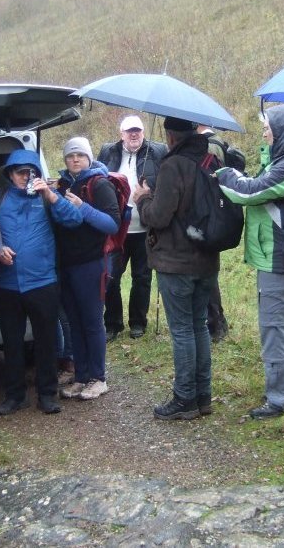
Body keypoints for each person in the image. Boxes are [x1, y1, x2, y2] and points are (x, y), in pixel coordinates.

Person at [217, 105, 284, 419]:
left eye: (269, 128)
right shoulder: (282, 160)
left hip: (280, 257)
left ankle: (281, 397)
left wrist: (224, 173)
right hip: (274, 254)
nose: (265, 133)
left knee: (273, 327)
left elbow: (248, 192)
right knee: (279, 325)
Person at [134, 117, 219, 420]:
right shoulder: (211, 159)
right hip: (207, 256)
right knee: (199, 326)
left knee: (183, 330)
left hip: (177, 260)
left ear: (170, 136)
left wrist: (142, 199)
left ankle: (185, 398)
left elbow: (159, 216)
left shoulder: (173, 165)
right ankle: (203, 396)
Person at [0, 149, 82, 415]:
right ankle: (15, 395)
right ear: (10, 174)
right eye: (21, 172)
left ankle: (47, 394)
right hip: (8, 284)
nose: (26, 177)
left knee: (46, 341)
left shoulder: (46, 197)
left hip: (42, 281)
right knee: (12, 343)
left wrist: (52, 195)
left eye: (31, 172)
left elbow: (74, 220)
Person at [55, 137, 120, 401]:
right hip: (67, 264)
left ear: (89, 158)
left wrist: (83, 208)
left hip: (93, 263)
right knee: (75, 322)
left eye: (80, 155)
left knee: (92, 322)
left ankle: (98, 378)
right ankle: (81, 377)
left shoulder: (99, 184)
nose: (75, 159)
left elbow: (112, 224)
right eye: (70, 156)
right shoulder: (62, 185)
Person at [97, 115, 167, 341]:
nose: (134, 134)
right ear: (122, 134)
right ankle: (112, 323)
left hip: (145, 227)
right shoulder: (108, 152)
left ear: (144, 133)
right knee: (111, 277)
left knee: (142, 278)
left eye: (137, 130)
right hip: (116, 230)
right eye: (129, 131)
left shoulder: (158, 151)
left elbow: (166, 183)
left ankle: (138, 322)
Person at [196, 124, 232, 343]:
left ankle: (216, 323)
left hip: (208, 217)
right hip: (213, 216)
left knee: (207, 274)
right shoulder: (216, 143)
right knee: (208, 272)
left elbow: (210, 180)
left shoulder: (210, 145)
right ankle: (217, 322)